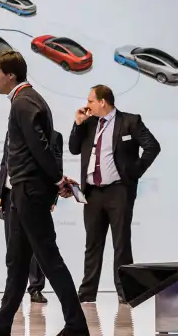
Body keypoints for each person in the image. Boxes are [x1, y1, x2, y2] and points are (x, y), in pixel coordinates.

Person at [0, 51, 89, 336]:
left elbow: (40, 147)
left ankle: (76, 324)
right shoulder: (26, 100)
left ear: (11, 75)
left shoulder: (23, 101)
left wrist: (57, 180)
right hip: (22, 193)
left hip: (30, 192)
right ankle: (2, 323)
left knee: (48, 258)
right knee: (17, 262)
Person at [66, 85, 160, 303]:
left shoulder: (130, 121)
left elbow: (152, 146)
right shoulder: (88, 123)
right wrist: (77, 124)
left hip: (119, 191)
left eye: (90, 101)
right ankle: (87, 293)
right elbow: (73, 148)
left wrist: (134, 172)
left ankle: (126, 293)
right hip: (92, 193)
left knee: (121, 244)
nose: (86, 105)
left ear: (102, 102)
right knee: (92, 244)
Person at [0, 138, 49, 304]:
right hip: (9, 194)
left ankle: (35, 288)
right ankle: (12, 289)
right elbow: (5, 163)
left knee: (34, 243)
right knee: (12, 245)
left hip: (31, 194)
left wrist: (51, 198)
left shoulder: (39, 131)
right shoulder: (10, 132)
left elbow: (49, 164)